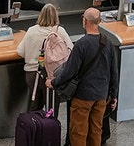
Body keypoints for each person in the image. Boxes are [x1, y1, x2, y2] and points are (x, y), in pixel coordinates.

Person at [49, 8, 118, 146]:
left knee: (79, 132)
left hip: (83, 97)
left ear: (85, 21)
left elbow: (69, 71)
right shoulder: (108, 43)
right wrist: (114, 95)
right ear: (99, 21)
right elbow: (113, 71)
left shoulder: (81, 44)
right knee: (96, 131)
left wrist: (53, 82)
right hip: (101, 96)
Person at [16, 4, 73, 113]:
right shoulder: (60, 31)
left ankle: (34, 128)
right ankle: (50, 128)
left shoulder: (31, 30)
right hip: (52, 75)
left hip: (32, 74)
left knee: (34, 107)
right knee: (51, 109)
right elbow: (71, 51)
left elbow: (20, 51)